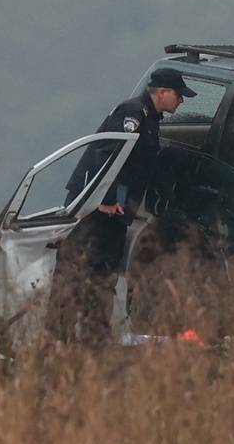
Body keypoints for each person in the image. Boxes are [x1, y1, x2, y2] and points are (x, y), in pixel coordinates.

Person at [58, 69, 196, 338]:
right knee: (82, 265)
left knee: (105, 268)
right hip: (98, 207)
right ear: (163, 92)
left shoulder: (151, 118)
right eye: (179, 96)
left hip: (118, 209)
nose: (182, 101)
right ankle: (62, 333)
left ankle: (94, 333)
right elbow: (107, 156)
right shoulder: (132, 114)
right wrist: (104, 200)